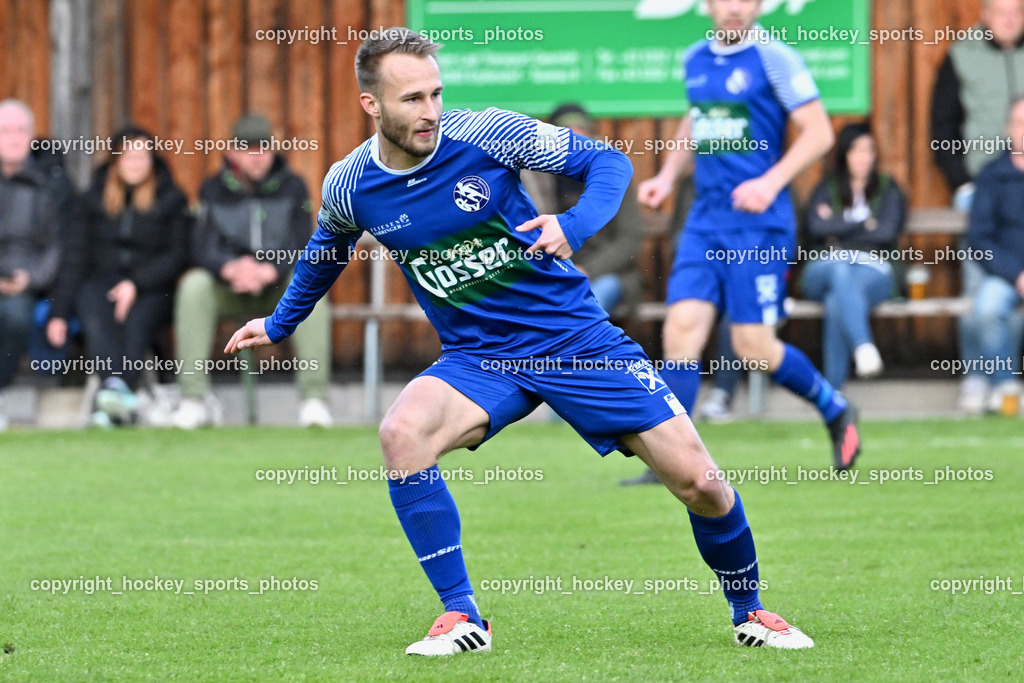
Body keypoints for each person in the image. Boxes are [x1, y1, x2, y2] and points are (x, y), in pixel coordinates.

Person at [224, 29, 814, 654]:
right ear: (371, 104)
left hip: (572, 339)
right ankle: (461, 615)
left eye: (436, 93)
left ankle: (750, 610)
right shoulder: (349, 185)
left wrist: (572, 224)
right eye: (412, 100)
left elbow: (608, 163)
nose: (430, 111)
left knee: (700, 482)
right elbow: (323, 253)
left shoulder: (483, 132)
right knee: (402, 433)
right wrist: (280, 323)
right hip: (480, 358)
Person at [637, 0, 860, 471]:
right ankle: (679, 463)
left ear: (759, 6)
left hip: (758, 226)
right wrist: (667, 175)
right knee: (680, 332)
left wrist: (770, 182)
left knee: (752, 347)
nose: (735, 8)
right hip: (704, 220)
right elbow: (696, 120)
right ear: (709, 5)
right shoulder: (695, 58)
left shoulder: (774, 58)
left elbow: (819, 133)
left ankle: (835, 407)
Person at [172, 114, 332, 429]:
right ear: (232, 151)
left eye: (263, 148)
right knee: (193, 287)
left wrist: (270, 270)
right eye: (248, 149)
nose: (256, 156)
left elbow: (305, 242)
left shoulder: (293, 186)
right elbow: (201, 247)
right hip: (229, 288)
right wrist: (230, 268)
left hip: (278, 291)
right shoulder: (212, 189)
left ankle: (314, 401)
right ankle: (192, 400)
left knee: (314, 290)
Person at [46, 127, 190, 427]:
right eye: (128, 157)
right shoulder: (90, 201)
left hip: (152, 287)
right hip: (101, 283)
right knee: (94, 311)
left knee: (137, 322)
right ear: (115, 162)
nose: (135, 163)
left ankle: (113, 395)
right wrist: (58, 313)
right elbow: (75, 259)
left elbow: (178, 256)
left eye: (142, 156)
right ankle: (117, 392)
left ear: (151, 160)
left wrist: (136, 284)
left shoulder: (172, 199)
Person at [930, 0, 1024, 412]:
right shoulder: (961, 54)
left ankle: (1006, 382)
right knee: (980, 287)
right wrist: (962, 180)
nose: (1009, 20)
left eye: (1016, 12)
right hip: (983, 184)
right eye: (1001, 13)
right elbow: (943, 124)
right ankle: (976, 377)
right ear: (985, 17)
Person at [801, 123, 907, 389]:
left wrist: (837, 229)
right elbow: (815, 227)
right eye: (856, 150)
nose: (863, 157)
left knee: (838, 298)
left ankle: (832, 393)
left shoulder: (888, 188)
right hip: (824, 268)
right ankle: (863, 346)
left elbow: (886, 233)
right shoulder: (827, 187)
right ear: (844, 154)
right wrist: (864, 224)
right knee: (840, 270)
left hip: (873, 269)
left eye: (868, 150)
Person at [520, 103, 643, 315]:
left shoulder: (611, 178)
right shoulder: (541, 180)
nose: (575, 143)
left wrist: (588, 270)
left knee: (587, 303)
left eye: (581, 133)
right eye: (566, 136)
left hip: (607, 274)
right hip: (555, 272)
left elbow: (629, 240)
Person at [0, 99, 74, 430]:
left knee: (15, 316)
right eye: (5, 131)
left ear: (32, 136)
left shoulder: (52, 183)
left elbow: (59, 245)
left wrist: (29, 279)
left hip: (26, 283)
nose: (13, 138)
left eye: (20, 131)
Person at [964, 97, 1024, 412]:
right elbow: (979, 238)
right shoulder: (991, 176)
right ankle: (1005, 386)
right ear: (1008, 129)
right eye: (1020, 123)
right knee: (987, 308)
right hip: (1004, 274)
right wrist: (1016, 274)